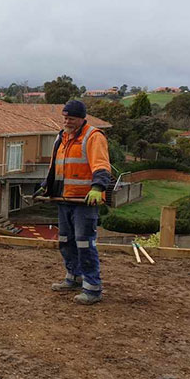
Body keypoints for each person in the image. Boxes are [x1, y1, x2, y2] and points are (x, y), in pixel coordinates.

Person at [36, 100, 111, 305]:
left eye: (71, 118)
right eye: (65, 117)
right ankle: (74, 276)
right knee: (66, 241)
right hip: (64, 199)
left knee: (84, 243)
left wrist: (98, 187)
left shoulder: (93, 137)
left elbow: (101, 165)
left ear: (81, 118)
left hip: (84, 201)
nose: (67, 121)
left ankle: (92, 288)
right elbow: (56, 167)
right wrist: (46, 185)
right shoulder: (61, 138)